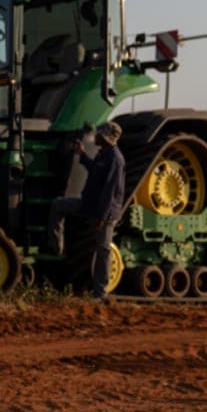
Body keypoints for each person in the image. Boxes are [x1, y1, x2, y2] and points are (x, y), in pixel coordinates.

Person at [46, 121, 127, 297]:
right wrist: (82, 154)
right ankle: (56, 246)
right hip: (89, 205)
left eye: (98, 134)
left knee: (103, 249)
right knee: (58, 205)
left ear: (105, 137)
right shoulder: (103, 154)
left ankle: (101, 292)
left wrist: (102, 217)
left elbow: (110, 192)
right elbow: (95, 171)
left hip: (105, 213)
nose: (95, 136)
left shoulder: (116, 160)